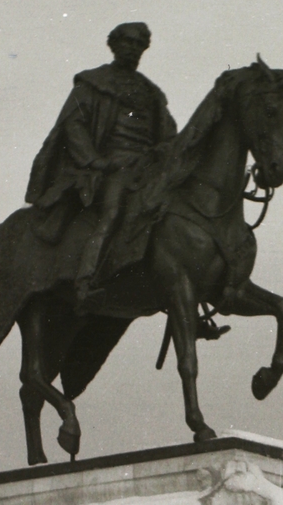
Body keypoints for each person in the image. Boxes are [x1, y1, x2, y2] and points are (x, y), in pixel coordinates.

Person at [24, 22, 178, 302]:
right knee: (113, 211)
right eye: (127, 42)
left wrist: (165, 149)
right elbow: (74, 125)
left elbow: (168, 133)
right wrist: (95, 161)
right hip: (110, 168)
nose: (133, 48)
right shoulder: (93, 82)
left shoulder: (151, 92)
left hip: (147, 168)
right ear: (114, 45)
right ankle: (86, 279)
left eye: (139, 44)